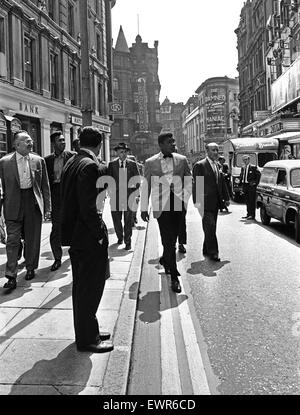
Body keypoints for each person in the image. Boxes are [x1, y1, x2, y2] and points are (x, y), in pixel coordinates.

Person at [60, 126, 113, 353]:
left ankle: (87, 330)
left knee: (82, 288)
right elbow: (88, 207)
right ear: (99, 144)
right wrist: (100, 234)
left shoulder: (72, 161)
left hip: (76, 236)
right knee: (91, 288)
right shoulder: (89, 166)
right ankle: (88, 339)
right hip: (87, 237)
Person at [141, 132, 192, 293]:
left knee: (173, 237)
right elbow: (146, 185)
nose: (173, 144)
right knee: (167, 239)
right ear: (161, 144)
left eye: (174, 142)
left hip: (178, 204)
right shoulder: (150, 163)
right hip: (161, 206)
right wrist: (144, 207)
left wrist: (185, 200)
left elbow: (189, 180)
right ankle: (174, 277)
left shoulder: (182, 160)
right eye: (170, 142)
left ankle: (165, 258)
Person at [0, 130, 51, 290]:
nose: (31, 143)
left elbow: (45, 186)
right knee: (12, 240)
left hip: (33, 203)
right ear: (16, 144)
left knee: (32, 238)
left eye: (31, 141)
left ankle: (30, 267)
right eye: (27, 141)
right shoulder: (4, 162)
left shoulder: (38, 160)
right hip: (12, 205)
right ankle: (11, 275)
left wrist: (48, 207)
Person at [192, 143, 229, 262]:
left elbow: (221, 183)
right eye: (213, 150)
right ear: (207, 151)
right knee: (210, 226)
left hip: (216, 203)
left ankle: (206, 248)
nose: (216, 152)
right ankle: (214, 252)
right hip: (204, 203)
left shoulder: (217, 165)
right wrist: (197, 203)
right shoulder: (200, 165)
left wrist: (226, 198)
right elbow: (197, 185)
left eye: (217, 150)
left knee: (211, 228)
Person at [45, 131, 75, 271]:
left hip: (69, 195)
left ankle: (74, 252)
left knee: (74, 225)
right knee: (56, 228)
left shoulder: (72, 157)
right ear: (53, 143)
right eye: (59, 141)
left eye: (63, 140)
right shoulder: (47, 160)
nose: (63, 142)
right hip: (56, 196)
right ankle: (57, 258)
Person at [107, 143, 140, 250]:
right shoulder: (112, 164)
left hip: (128, 196)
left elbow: (137, 180)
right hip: (116, 197)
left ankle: (128, 241)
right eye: (121, 152)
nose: (124, 154)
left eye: (125, 152)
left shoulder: (132, 164)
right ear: (117, 153)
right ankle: (120, 236)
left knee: (128, 220)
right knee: (116, 219)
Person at [239, 155, 261, 220]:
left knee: (251, 200)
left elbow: (259, 175)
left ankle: (252, 215)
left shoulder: (253, 167)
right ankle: (248, 214)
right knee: (247, 201)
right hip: (245, 185)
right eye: (243, 160)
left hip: (251, 186)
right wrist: (240, 184)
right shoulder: (243, 167)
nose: (245, 161)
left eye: (246, 160)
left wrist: (255, 183)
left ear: (249, 160)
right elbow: (242, 175)